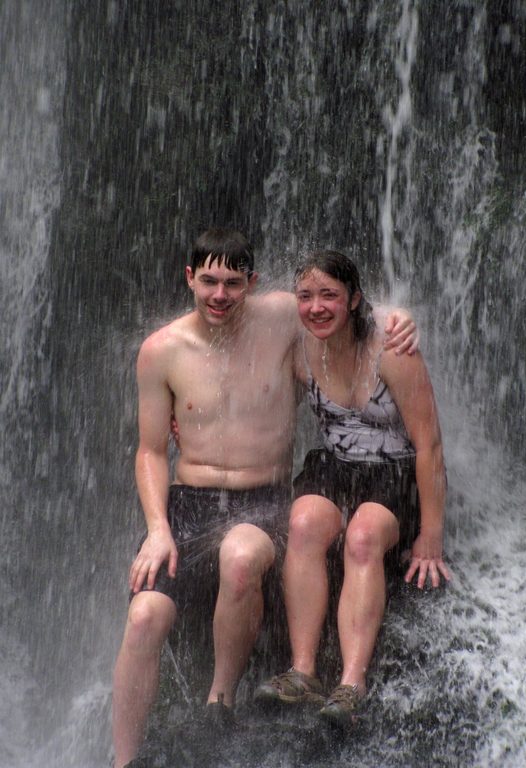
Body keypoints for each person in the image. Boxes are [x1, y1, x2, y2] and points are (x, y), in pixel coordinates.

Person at [111, 229, 417, 768]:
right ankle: (122, 760)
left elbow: (348, 304)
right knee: (143, 618)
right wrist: (157, 528)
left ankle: (219, 702)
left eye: (233, 282)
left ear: (252, 283)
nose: (220, 295)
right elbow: (151, 452)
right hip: (187, 504)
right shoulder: (160, 351)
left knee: (241, 556)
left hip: (263, 499)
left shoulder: (283, 318)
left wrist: (402, 318)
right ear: (189, 278)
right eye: (208, 281)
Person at [255, 249, 450, 728]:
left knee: (362, 537)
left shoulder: (392, 349)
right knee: (302, 525)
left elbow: (430, 444)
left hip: (395, 471)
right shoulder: (298, 350)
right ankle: (302, 672)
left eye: (330, 295)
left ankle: (351, 684)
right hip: (335, 466)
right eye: (306, 296)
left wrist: (431, 533)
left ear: (355, 299)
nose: (317, 307)